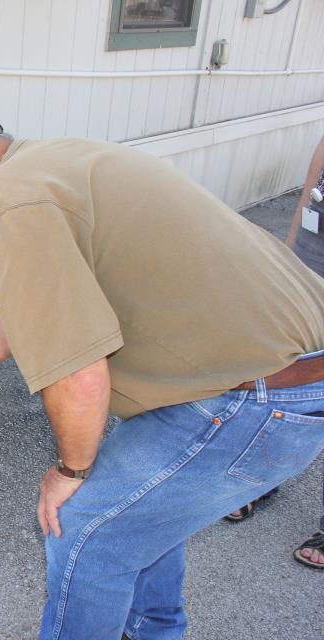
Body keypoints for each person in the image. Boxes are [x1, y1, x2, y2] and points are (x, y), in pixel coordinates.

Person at [0, 99, 324, 639]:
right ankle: (151, 630)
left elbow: (79, 374)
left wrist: (70, 471)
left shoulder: (6, 202)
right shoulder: (53, 163)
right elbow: (28, 316)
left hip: (253, 398)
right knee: (136, 515)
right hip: (279, 375)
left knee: (83, 529)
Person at [224, 136, 324, 570]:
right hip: (310, 273)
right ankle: (261, 479)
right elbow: (307, 201)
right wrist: (286, 268)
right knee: (278, 380)